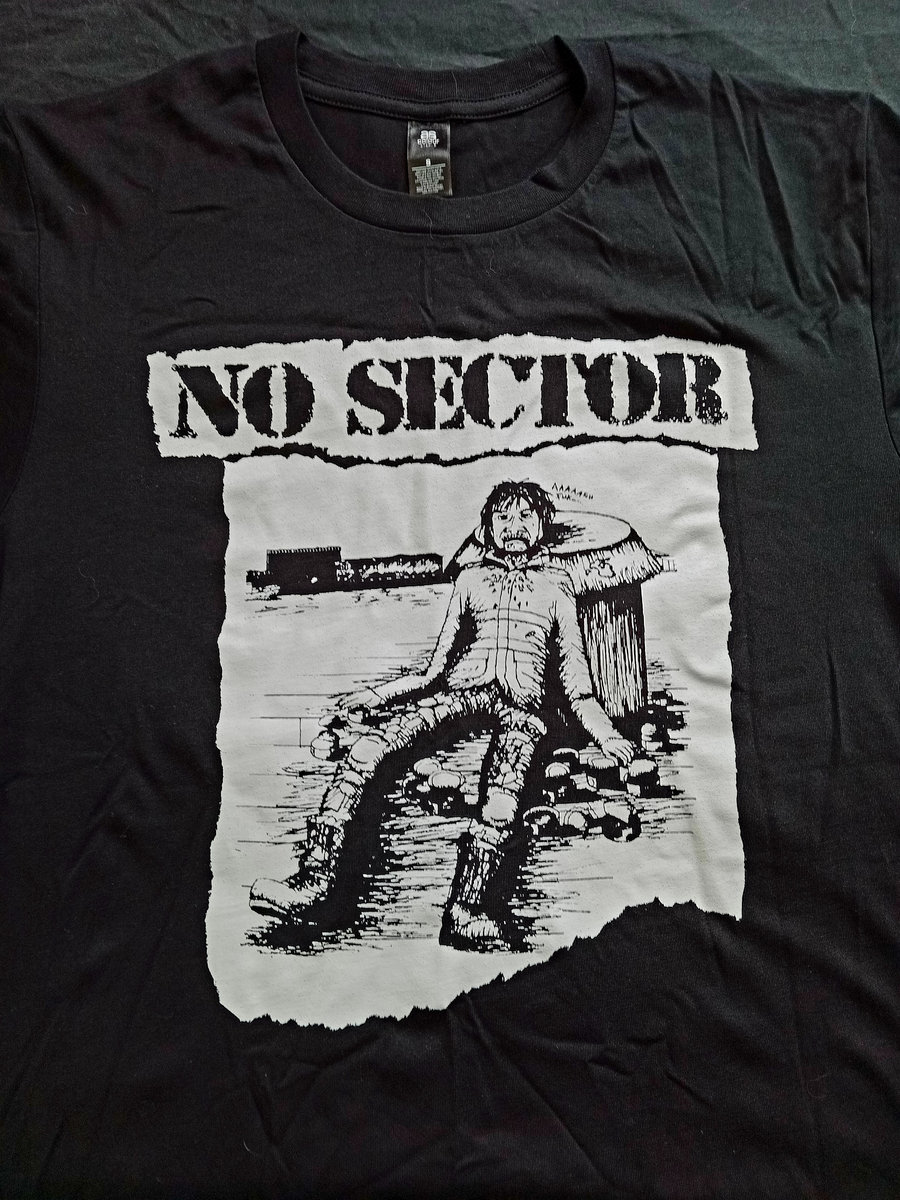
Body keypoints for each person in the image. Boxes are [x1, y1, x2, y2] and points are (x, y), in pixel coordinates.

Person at [250, 481, 637, 949]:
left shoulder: (558, 588)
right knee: (370, 748)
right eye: (503, 518)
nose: (513, 527)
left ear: (543, 525)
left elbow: (578, 687)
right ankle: (315, 881)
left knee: (501, 800)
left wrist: (608, 737)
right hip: (459, 695)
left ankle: (468, 909)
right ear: (486, 527)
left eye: (525, 517)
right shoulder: (469, 580)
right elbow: (434, 671)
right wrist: (376, 695)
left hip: (521, 710)